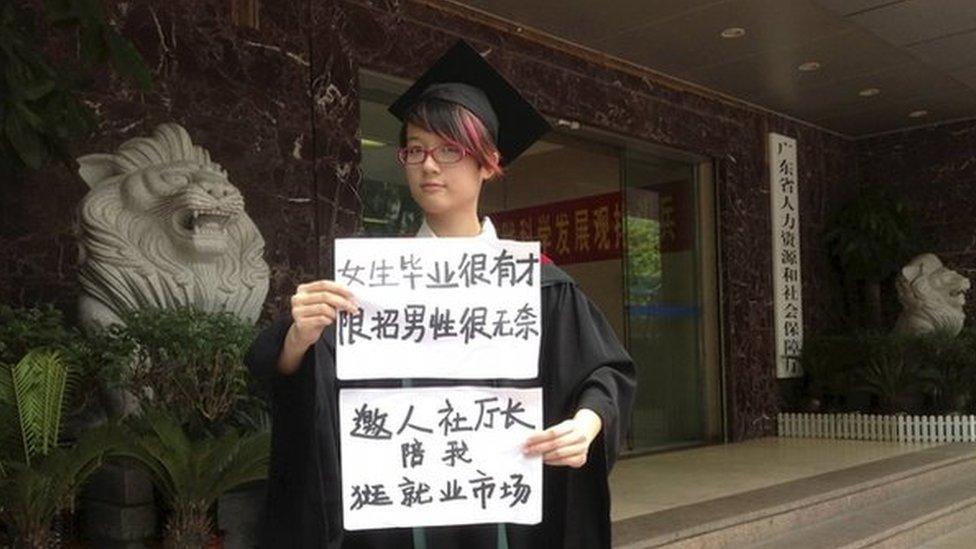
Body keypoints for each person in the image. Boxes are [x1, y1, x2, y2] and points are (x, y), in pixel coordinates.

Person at [245, 40, 636, 549]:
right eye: (415, 148)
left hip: (509, 522)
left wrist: (587, 424)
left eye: (450, 149)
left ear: (489, 163)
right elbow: (309, 395)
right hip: (398, 526)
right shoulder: (372, 287)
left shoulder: (537, 284)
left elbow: (604, 373)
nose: (429, 165)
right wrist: (297, 340)